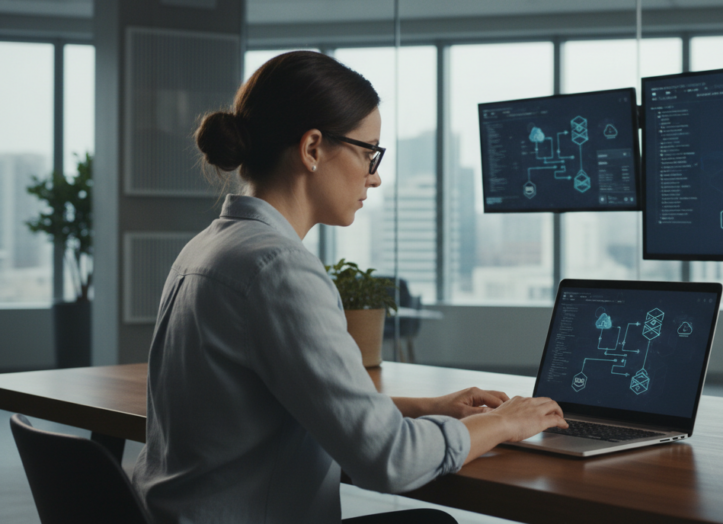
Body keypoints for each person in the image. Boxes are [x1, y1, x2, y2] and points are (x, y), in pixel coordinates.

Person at [131, 51, 568, 524]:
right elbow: (389, 460)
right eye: (368, 152)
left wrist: (428, 407)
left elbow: (291, 402)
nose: (375, 176)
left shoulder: (206, 249)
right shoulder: (278, 269)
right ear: (313, 148)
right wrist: (502, 423)